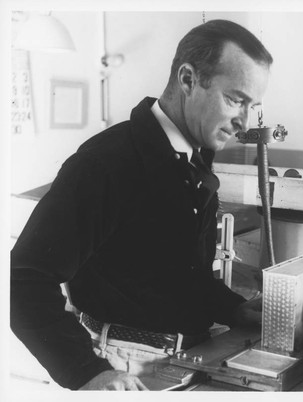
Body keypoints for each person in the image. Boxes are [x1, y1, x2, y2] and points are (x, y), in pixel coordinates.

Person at [10, 19, 273, 391]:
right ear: (188, 80)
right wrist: (86, 371)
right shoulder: (106, 163)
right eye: (235, 100)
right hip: (122, 367)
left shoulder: (192, 159)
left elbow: (178, 274)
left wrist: (231, 308)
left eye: (253, 106)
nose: (243, 122)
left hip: (186, 357)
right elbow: (23, 279)